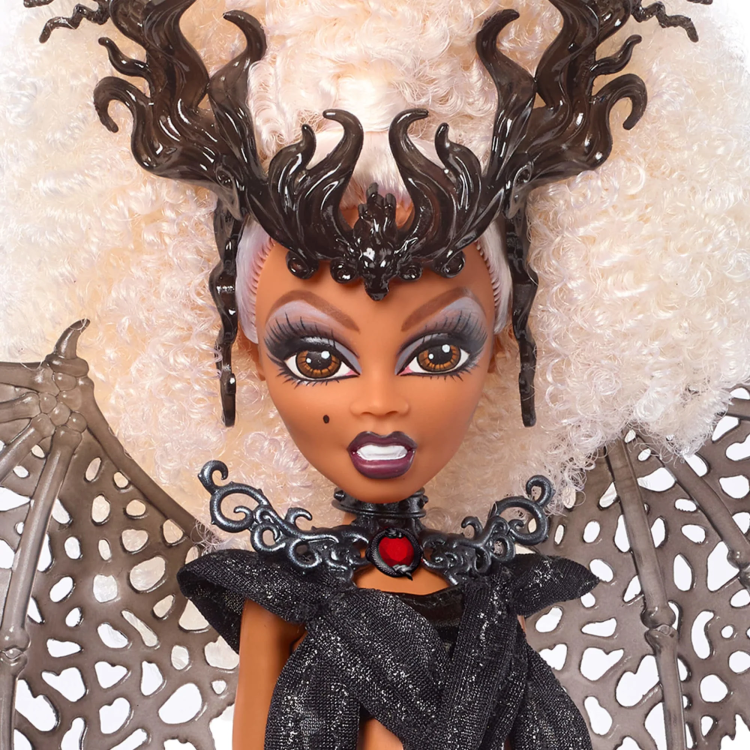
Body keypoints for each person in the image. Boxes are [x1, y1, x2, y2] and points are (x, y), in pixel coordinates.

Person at [2, 0, 750, 748]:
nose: (381, 403)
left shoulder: (494, 593)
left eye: (438, 352)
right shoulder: (281, 597)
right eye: (317, 357)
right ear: (247, 356)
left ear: (503, 348)